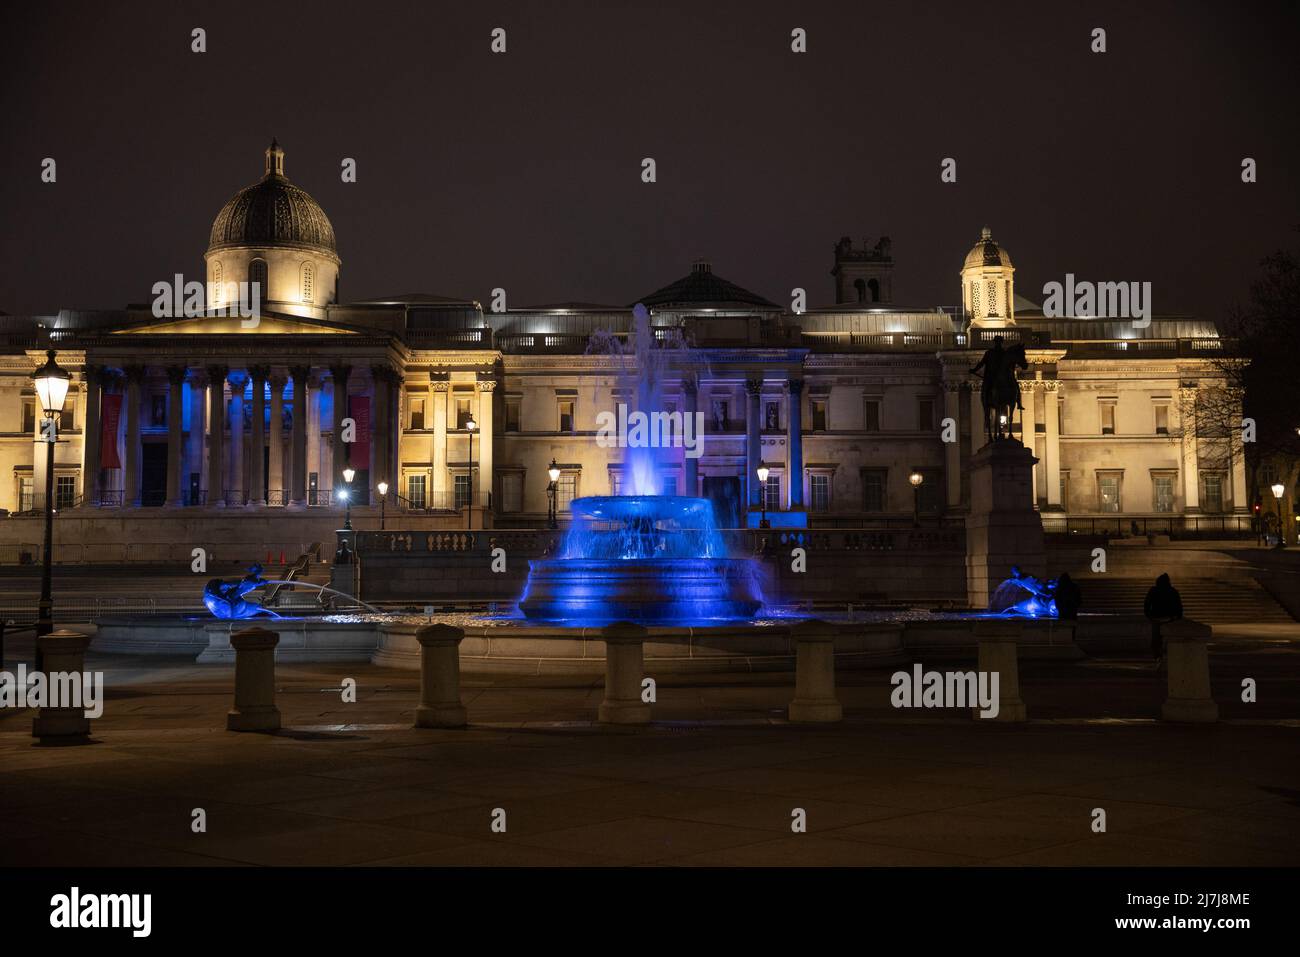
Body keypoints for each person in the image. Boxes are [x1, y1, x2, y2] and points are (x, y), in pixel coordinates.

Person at [1143, 573, 1183, 662]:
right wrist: (1177, 617)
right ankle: (1168, 656)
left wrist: (1149, 615)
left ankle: (1158, 656)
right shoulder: (1173, 591)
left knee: (1156, 639)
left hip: (1157, 618)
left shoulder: (1153, 590)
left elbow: (1147, 604)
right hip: (1169, 618)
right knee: (1169, 639)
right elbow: (1179, 606)